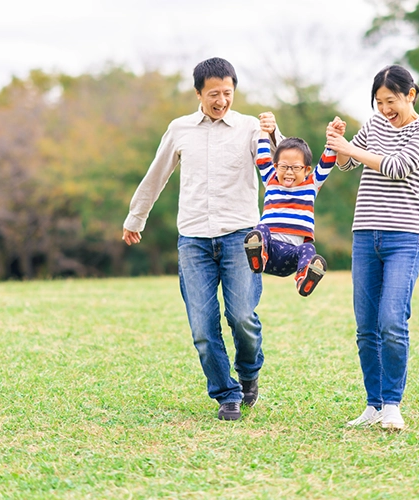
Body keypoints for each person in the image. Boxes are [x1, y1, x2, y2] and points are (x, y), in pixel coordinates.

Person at [122, 57, 283, 421]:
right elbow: (157, 173)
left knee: (242, 316)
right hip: (193, 239)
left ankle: (248, 372)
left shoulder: (249, 128)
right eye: (214, 94)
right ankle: (227, 394)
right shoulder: (180, 129)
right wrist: (137, 216)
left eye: (228, 93)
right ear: (198, 93)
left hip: (242, 237)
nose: (221, 100)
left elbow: (285, 166)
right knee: (202, 326)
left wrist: (274, 134)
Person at [326, 65, 419, 431]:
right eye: (378, 102)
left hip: (405, 235)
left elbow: (397, 166)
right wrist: (337, 142)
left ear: (410, 95)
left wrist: (351, 152)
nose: (385, 109)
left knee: (392, 320)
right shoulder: (375, 125)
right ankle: (373, 405)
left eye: (391, 101)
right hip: (365, 233)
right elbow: (345, 163)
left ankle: (392, 404)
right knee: (366, 326)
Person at [242, 121, 336, 296]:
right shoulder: (271, 179)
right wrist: (264, 131)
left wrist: (333, 137)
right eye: (284, 166)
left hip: (290, 257)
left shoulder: (311, 185)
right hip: (268, 253)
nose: (289, 172)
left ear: (307, 170)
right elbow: (262, 157)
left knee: (309, 250)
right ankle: (257, 255)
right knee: (260, 229)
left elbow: (326, 163)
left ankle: (303, 278)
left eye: (296, 167)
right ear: (276, 166)